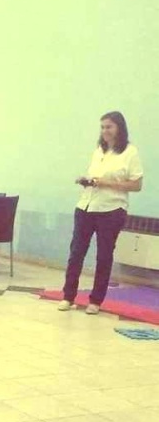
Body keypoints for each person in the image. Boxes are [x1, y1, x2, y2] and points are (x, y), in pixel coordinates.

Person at [60, 111, 144, 315]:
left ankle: (95, 301)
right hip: (86, 206)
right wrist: (87, 181)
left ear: (119, 128)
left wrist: (106, 183)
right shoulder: (99, 150)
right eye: (103, 127)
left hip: (111, 210)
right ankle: (68, 297)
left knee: (104, 256)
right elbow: (95, 177)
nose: (105, 131)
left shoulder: (130, 152)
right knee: (76, 253)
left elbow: (137, 185)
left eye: (109, 127)